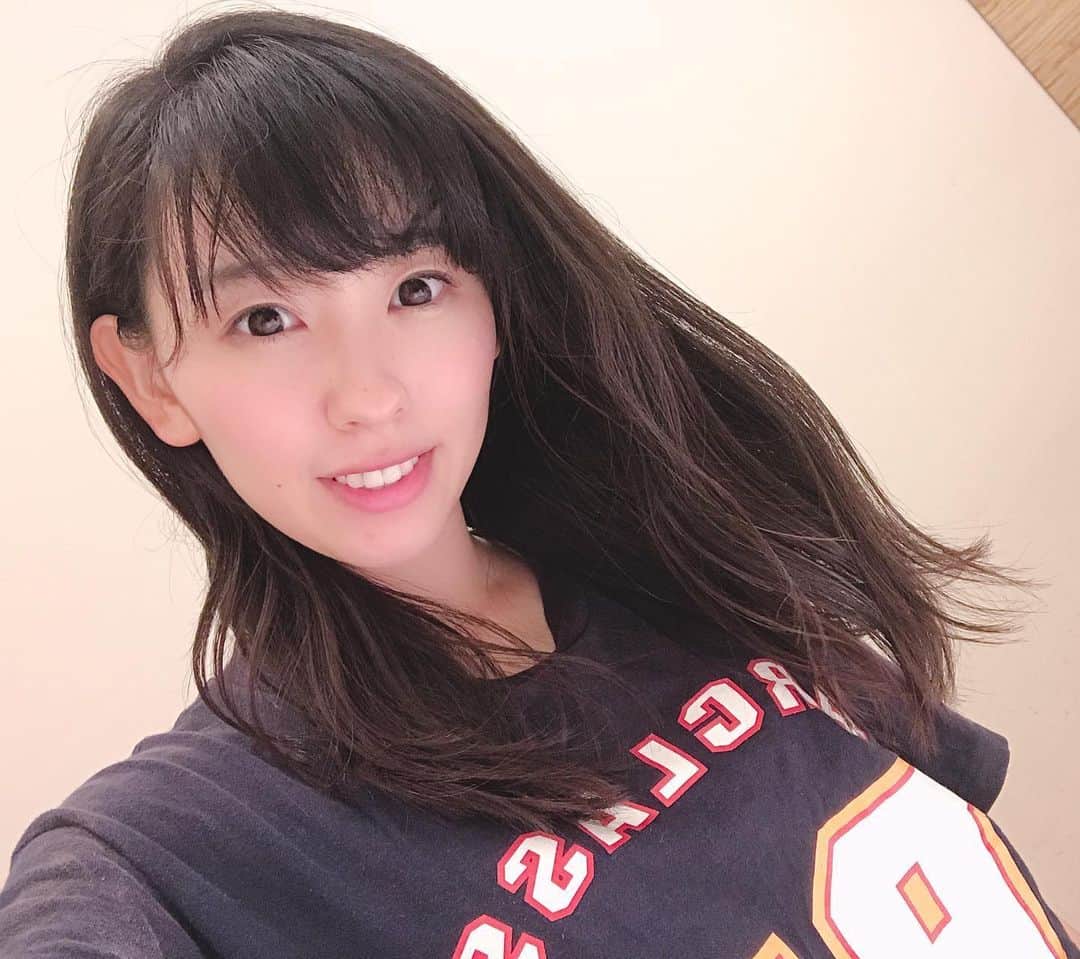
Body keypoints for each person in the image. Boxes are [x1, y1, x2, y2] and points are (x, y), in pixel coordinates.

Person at [0, 8, 1075, 957]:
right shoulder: (176, 848)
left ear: (494, 304)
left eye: (416, 288)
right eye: (266, 318)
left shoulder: (680, 545)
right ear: (152, 378)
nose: (367, 395)